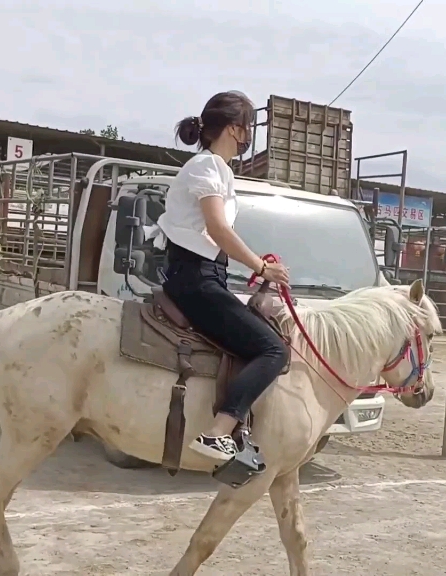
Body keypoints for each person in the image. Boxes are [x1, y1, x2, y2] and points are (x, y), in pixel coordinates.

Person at [157, 91, 291, 463]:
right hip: (195, 278)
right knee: (274, 350)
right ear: (235, 129)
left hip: (205, 273)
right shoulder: (206, 167)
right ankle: (218, 432)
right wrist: (261, 268)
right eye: (248, 127)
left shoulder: (217, 169)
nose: (249, 137)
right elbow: (218, 229)